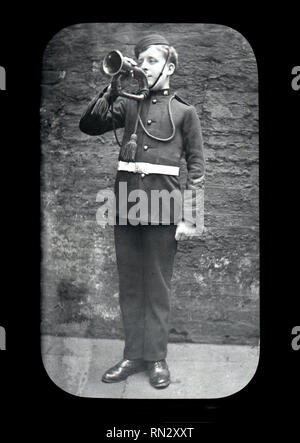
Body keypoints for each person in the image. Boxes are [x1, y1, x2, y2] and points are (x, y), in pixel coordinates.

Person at [79, 34, 205, 389]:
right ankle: (133, 355)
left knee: (157, 287)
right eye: (141, 60)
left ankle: (156, 358)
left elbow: (196, 168)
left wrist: (190, 217)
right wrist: (112, 89)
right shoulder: (128, 105)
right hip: (125, 208)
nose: (144, 66)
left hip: (163, 209)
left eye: (151, 60)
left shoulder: (185, 112)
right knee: (131, 286)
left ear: (170, 67)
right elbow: (89, 125)